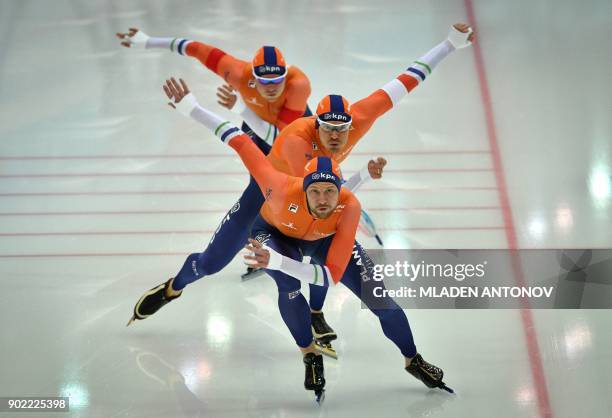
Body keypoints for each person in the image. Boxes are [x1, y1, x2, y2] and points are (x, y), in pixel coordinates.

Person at [127, 23, 475, 358]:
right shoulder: (293, 135)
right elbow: (201, 53)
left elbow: (404, 81)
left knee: (321, 247)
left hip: (307, 176)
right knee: (211, 263)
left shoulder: (307, 92)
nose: (270, 87)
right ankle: (174, 287)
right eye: (262, 81)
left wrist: (448, 45)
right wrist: (233, 106)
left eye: (276, 79)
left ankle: (314, 312)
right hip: (273, 186)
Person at [161, 78, 453, 398]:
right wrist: (192, 108)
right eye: (316, 191)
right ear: (303, 187)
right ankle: (309, 353)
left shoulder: (349, 206)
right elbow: (238, 140)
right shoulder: (277, 184)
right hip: (273, 232)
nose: (324, 200)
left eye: (331, 192)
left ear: (341, 192)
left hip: (319, 239)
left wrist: (280, 261)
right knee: (288, 286)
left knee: (380, 299)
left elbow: (330, 274)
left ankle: (413, 359)